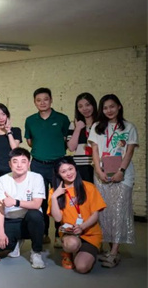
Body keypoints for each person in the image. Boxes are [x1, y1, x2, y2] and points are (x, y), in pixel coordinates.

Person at [88, 94, 138, 268]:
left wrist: (121, 171)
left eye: (112, 106)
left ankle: (115, 252)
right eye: (105, 107)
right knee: (105, 212)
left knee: (119, 211)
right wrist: (98, 170)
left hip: (122, 175)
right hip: (101, 174)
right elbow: (95, 150)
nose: (109, 110)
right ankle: (111, 250)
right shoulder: (97, 127)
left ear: (119, 107)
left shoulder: (129, 127)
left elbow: (129, 151)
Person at [24, 87, 70, 244]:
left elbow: (66, 139)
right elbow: (29, 141)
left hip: (58, 165)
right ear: (34, 102)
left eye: (45, 99)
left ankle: (59, 233)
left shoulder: (62, 119)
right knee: (41, 200)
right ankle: (43, 233)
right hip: (38, 165)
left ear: (51, 100)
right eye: (38, 100)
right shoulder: (30, 120)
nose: (42, 102)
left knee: (60, 198)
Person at [48, 157, 106, 273]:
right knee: (72, 244)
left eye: (70, 169)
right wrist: (54, 197)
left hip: (89, 233)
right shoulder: (54, 192)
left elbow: (95, 215)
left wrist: (82, 227)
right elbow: (58, 218)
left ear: (75, 168)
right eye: (63, 171)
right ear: (58, 174)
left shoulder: (89, 187)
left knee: (82, 267)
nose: (69, 173)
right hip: (70, 233)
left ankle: (86, 251)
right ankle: (68, 252)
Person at [0, 148, 46, 269]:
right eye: (15, 161)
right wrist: (0, 232)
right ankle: (17, 241)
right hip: (11, 219)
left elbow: (37, 204)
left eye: (23, 161)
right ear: (9, 164)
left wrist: (15, 202)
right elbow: (0, 209)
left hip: (29, 220)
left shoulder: (36, 178)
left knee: (35, 215)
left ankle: (36, 252)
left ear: (29, 163)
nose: (19, 165)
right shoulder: (2, 180)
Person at [67, 93, 98, 183]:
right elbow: (71, 148)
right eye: (80, 106)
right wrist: (78, 128)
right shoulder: (74, 124)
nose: (84, 109)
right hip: (80, 165)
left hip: (98, 164)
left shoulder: (100, 124)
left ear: (93, 105)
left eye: (87, 105)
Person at [0, 103, 22, 182]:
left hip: (12, 169)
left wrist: (9, 131)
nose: (1, 118)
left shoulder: (16, 130)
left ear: (7, 115)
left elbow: (15, 149)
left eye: (3, 114)